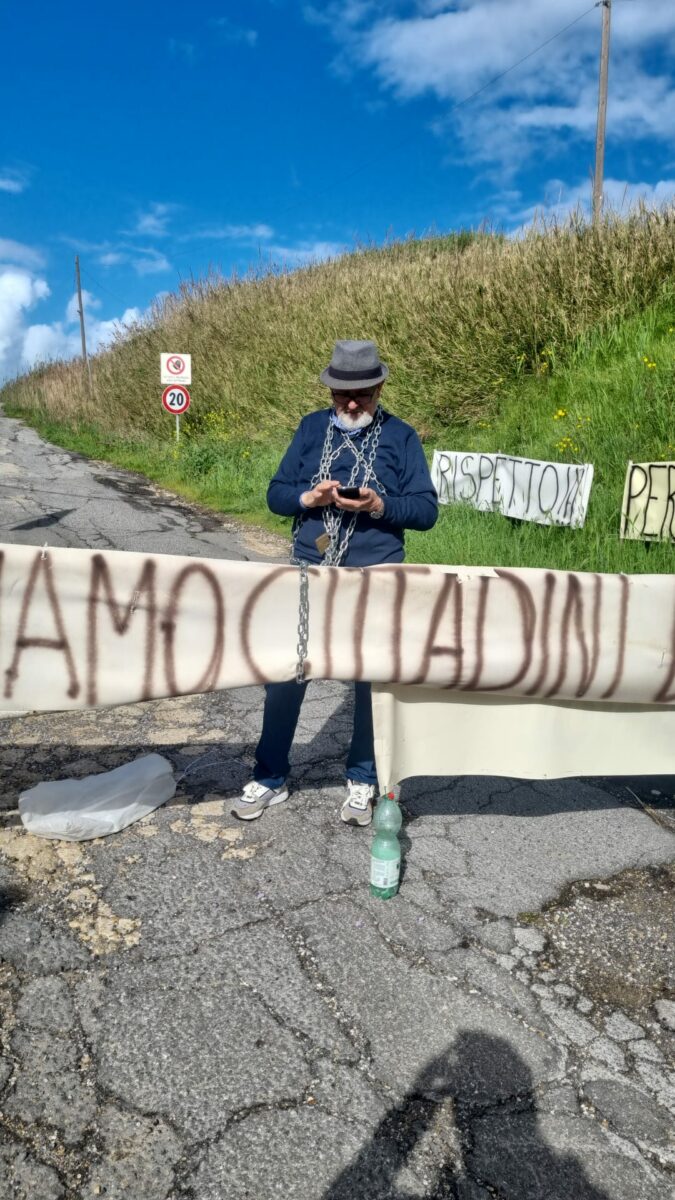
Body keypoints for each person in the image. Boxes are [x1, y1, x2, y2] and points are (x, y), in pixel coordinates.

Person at [231, 339, 438, 827]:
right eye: (342, 394)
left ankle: (363, 779)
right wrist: (308, 497)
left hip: (375, 575)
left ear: (380, 387)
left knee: (369, 679)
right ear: (329, 390)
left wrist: (378, 505)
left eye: (362, 395)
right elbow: (275, 495)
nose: (351, 404)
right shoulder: (309, 430)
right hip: (311, 570)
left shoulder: (402, 437)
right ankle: (270, 775)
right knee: (286, 673)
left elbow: (427, 510)